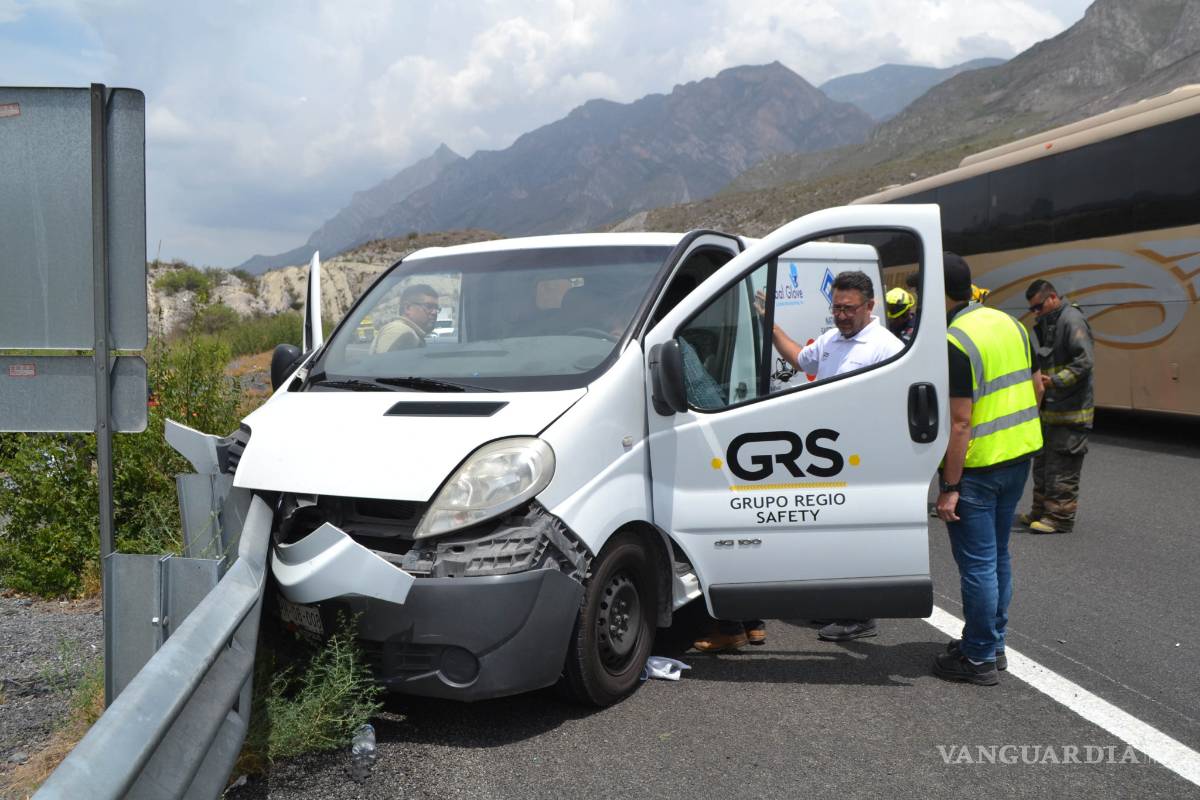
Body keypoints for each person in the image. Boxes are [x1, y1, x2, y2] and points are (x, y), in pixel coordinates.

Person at [769, 270, 904, 643]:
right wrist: (771, 326)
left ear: (870, 306)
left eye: (849, 309)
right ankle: (838, 603)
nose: (842, 316)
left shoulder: (885, 347)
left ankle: (858, 615)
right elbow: (801, 360)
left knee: (856, 538)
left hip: (862, 459)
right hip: (827, 457)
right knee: (832, 536)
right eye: (837, 308)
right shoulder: (832, 339)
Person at [934, 253, 1044, 686]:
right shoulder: (1011, 324)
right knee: (998, 555)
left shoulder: (955, 340)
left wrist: (949, 485)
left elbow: (959, 423)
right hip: (1019, 458)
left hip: (978, 468)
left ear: (939, 293)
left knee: (978, 564)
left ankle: (978, 656)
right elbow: (1037, 385)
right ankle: (992, 643)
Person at [1020, 279, 1094, 534]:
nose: (1035, 313)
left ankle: (1060, 518)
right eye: (1032, 309)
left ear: (1052, 297)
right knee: (1043, 465)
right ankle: (1041, 510)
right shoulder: (1047, 323)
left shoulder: (1071, 320)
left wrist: (1055, 381)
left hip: (1071, 411)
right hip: (1050, 410)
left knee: (1063, 467)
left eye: (1038, 307)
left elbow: (1084, 362)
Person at [370, 284, 440, 353]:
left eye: (436, 308)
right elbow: (385, 363)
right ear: (407, 308)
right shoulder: (400, 331)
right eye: (428, 306)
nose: (434, 312)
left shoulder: (409, 332)